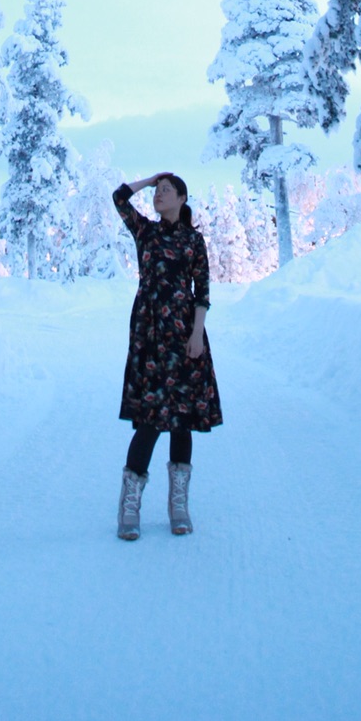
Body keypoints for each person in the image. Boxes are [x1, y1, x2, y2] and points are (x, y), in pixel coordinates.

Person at [112, 173, 222, 540]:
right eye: (157, 192)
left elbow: (202, 291)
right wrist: (150, 179)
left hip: (183, 333)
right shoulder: (146, 232)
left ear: (182, 198)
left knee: (181, 421)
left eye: (165, 191)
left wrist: (196, 335)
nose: (158, 196)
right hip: (148, 332)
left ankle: (179, 504)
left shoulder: (193, 240)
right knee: (149, 419)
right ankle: (129, 506)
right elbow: (119, 199)